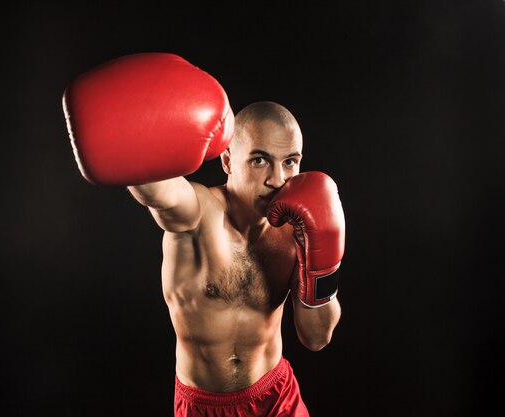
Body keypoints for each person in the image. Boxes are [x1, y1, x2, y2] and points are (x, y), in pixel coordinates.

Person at [63, 53, 345, 417]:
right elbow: (157, 190)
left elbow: (317, 338)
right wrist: (117, 127)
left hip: (276, 397)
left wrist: (323, 264)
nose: (278, 179)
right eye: (259, 160)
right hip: (204, 407)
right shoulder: (198, 214)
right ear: (227, 161)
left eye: (290, 161)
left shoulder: (298, 231)